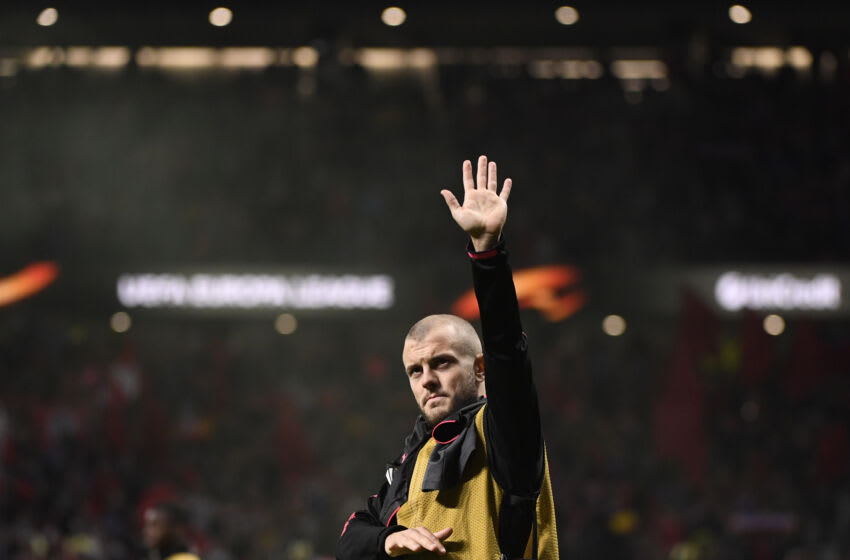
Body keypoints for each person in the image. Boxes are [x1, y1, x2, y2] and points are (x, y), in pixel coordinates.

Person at [336, 156, 558, 559]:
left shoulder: (504, 433)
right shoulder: (410, 459)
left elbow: (507, 352)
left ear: (480, 368)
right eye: (414, 370)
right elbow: (351, 538)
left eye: (441, 363)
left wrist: (487, 254)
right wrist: (388, 539)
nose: (427, 379)